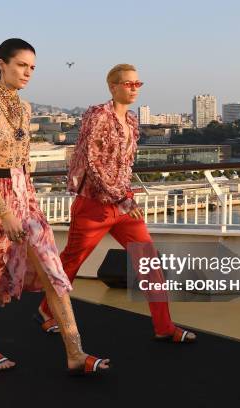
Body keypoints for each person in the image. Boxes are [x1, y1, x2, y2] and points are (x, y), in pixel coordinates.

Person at [0, 38, 110, 374]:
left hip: (25, 196)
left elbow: (23, 160)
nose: (28, 73)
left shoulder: (25, 108)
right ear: (2, 64)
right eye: (21, 65)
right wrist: (4, 211)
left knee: (53, 272)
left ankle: (76, 352)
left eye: (32, 68)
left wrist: (27, 201)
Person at [36, 64, 197, 343]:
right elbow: (90, 160)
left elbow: (124, 164)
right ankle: (46, 308)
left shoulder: (133, 120)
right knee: (72, 262)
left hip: (124, 206)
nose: (134, 89)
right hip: (94, 205)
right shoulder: (97, 115)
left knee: (149, 262)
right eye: (128, 84)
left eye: (138, 84)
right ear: (113, 87)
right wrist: (120, 196)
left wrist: (127, 196)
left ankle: (164, 326)